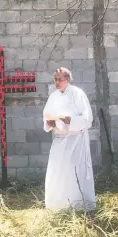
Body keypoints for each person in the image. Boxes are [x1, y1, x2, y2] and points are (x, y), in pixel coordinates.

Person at [42, 67, 96, 212]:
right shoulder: (53, 96)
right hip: (59, 140)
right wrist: (50, 122)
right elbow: (46, 115)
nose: (57, 82)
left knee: (74, 172)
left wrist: (70, 120)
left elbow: (87, 118)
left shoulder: (78, 94)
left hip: (76, 140)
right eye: (55, 79)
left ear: (67, 79)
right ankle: (58, 205)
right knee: (58, 172)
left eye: (60, 79)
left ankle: (79, 205)